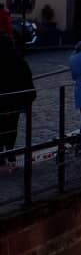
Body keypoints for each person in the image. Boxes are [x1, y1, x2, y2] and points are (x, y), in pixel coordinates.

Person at [0, 35, 34, 169]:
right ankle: (10, 153)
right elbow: (27, 79)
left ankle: (3, 154)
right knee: (11, 127)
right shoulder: (18, 60)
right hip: (14, 101)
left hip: (3, 100)